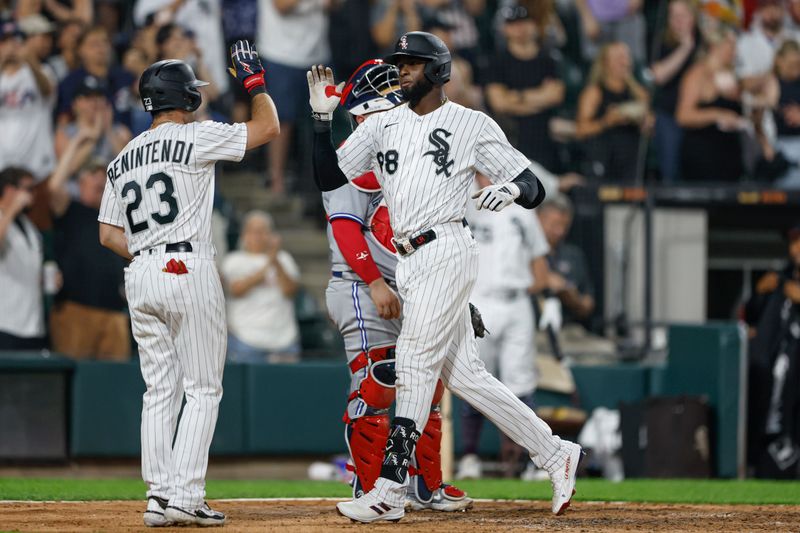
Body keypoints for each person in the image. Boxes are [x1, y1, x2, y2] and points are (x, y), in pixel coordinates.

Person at [308, 31, 581, 523]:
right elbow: (330, 178)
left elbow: (534, 185)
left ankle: (391, 489)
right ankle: (555, 451)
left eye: (411, 63)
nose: (402, 71)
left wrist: (512, 191)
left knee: (413, 361)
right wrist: (321, 121)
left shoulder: (470, 123)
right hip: (408, 259)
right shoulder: (383, 125)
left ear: (437, 70)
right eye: (400, 63)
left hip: (447, 247)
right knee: (467, 378)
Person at [97, 42, 280, 526]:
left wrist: (148, 254)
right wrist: (255, 84)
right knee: (202, 389)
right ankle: (185, 495)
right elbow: (268, 129)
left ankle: (159, 497)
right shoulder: (196, 136)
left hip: (140, 273)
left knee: (159, 389)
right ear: (185, 97)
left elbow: (107, 234)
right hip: (187, 266)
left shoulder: (123, 157)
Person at [322, 58, 472, 511]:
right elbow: (347, 228)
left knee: (426, 383)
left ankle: (426, 486)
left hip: (412, 281)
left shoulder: (410, 150)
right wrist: (374, 283)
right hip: (360, 284)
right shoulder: (351, 156)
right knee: (376, 382)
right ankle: (370, 488)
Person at [458, 172, 552, 480]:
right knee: (474, 375)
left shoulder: (523, 209)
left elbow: (540, 265)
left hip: (516, 302)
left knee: (521, 382)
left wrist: (535, 291)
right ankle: (469, 455)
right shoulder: (463, 200)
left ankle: (529, 460)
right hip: (479, 299)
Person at [49, 131, 129, 360]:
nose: (100, 180)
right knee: (76, 385)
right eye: (93, 174)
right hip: (75, 309)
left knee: (114, 384)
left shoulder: (116, 215)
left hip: (114, 313)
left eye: (104, 175)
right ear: (80, 181)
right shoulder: (71, 209)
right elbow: (54, 186)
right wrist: (76, 142)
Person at [744, 223, 800, 479]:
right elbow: (748, 316)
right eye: (793, 242)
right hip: (775, 367)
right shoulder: (781, 276)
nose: (797, 247)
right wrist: (758, 292)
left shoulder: (788, 283)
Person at [257, 0, 330, 195]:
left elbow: (333, 6)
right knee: (282, 119)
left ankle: (316, 183)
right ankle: (276, 180)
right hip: (281, 53)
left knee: (320, 120)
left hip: (317, 52)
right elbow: (281, 6)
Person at [486, 4, 564, 171]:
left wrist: (517, 96)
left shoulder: (548, 58)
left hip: (545, 135)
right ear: (505, 29)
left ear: (534, 25)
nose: (519, 28)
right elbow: (499, 103)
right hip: (513, 136)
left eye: (524, 22)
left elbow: (555, 95)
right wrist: (540, 97)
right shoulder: (497, 61)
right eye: (513, 24)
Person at [222, 210, 301, 363]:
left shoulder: (284, 259)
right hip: (245, 340)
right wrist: (269, 261)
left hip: (284, 340)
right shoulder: (234, 260)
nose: (259, 236)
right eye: (254, 231)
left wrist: (275, 260)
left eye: (263, 231)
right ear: (244, 235)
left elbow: (290, 291)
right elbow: (238, 290)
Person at [676, 27, 746, 183]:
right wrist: (718, 114)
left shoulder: (732, 75)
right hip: (704, 153)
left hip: (729, 153)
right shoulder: (697, 74)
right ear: (715, 47)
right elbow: (683, 116)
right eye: (731, 46)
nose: (735, 52)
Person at [576, 41, 650, 184]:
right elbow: (580, 130)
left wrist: (646, 122)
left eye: (626, 57)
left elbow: (650, 126)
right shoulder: (594, 92)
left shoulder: (638, 93)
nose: (624, 62)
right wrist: (607, 121)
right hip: (602, 156)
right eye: (618, 58)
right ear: (605, 64)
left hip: (630, 159)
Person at [649, 0, 699, 184]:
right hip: (670, 115)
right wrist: (685, 48)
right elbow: (658, 75)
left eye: (682, 15)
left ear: (693, 17)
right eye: (673, 16)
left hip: (698, 117)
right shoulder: (662, 42)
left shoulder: (704, 41)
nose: (677, 21)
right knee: (671, 173)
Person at [0, 19, 56, 183]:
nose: (11, 46)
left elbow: (48, 91)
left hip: (37, 164)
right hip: (4, 165)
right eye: (5, 41)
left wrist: (29, 59)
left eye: (15, 40)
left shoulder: (41, 71)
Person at [0, 166, 45, 350]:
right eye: (27, 189)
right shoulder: (5, 217)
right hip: (6, 322)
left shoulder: (30, 227)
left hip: (33, 323)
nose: (32, 194)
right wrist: (11, 210)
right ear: (10, 190)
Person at [57, 25, 135, 128]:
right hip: (89, 139)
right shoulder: (71, 82)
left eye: (105, 42)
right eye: (94, 44)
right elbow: (64, 121)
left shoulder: (125, 76)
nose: (101, 48)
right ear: (80, 50)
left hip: (128, 139)